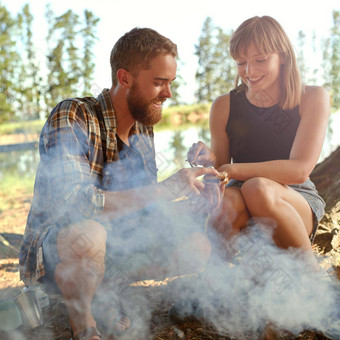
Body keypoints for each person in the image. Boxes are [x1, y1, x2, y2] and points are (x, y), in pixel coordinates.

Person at [19, 28, 224, 340]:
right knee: (89, 233)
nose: (168, 93)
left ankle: (106, 293)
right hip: (61, 249)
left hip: (115, 245)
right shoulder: (73, 114)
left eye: (170, 83)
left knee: (198, 244)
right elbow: (76, 203)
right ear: (125, 78)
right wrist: (167, 188)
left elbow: (143, 209)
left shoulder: (143, 130)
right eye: (158, 82)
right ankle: (84, 322)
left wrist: (197, 197)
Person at [187, 16, 329, 272]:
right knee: (228, 201)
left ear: (283, 56)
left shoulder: (312, 98)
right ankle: (213, 285)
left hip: (294, 201)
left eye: (261, 60)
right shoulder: (224, 105)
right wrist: (210, 161)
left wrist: (237, 171)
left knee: (258, 188)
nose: (249, 71)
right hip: (240, 197)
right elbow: (221, 171)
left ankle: (313, 279)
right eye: (241, 62)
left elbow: (299, 171)